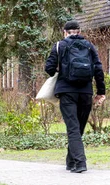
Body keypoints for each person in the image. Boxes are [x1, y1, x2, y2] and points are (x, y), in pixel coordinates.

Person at [45, 20, 106, 173]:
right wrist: (101, 92)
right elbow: (98, 69)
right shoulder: (90, 46)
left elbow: (49, 69)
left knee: (73, 128)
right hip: (86, 92)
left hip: (67, 92)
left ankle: (80, 163)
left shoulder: (60, 45)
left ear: (65, 32)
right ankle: (70, 162)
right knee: (78, 128)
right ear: (79, 31)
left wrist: (60, 70)